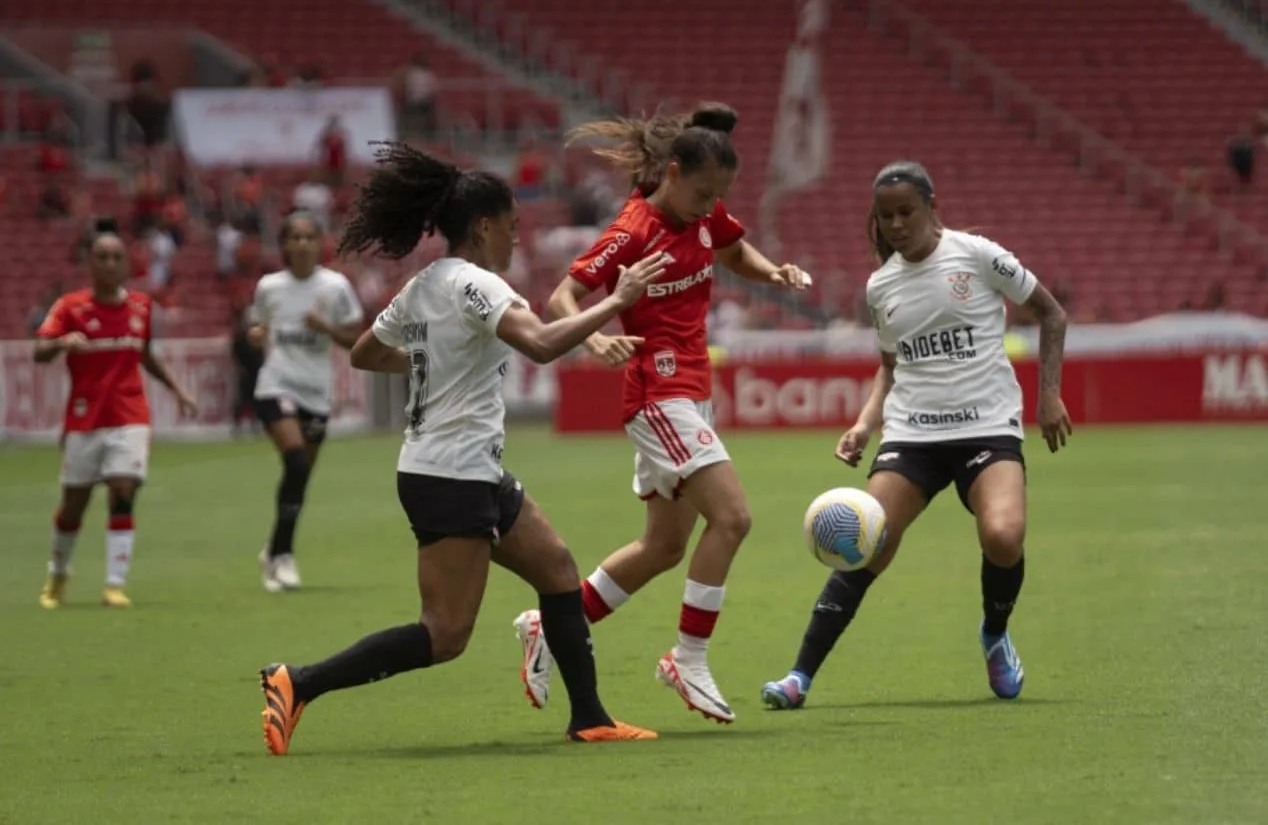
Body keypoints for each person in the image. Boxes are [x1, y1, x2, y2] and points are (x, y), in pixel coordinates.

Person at [258, 143, 667, 754]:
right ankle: (298, 682)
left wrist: (430, 361)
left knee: (557, 569)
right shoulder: (479, 284)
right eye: (513, 226)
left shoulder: (425, 283)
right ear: (484, 225)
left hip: (468, 467)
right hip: (449, 474)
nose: (517, 239)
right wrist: (616, 300)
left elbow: (365, 352)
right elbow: (543, 344)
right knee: (445, 635)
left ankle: (590, 717)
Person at [511, 103, 811, 724]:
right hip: (657, 392)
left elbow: (734, 250)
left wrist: (772, 272)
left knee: (664, 546)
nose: (710, 207)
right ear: (672, 172)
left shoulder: (703, 211)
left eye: (719, 196)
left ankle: (548, 623)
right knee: (732, 518)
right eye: (702, 193)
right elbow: (563, 294)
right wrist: (594, 339)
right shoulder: (634, 229)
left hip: (692, 390)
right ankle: (689, 657)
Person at [760, 161, 1072, 709]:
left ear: (932, 206)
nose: (897, 225)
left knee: (1002, 537)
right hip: (914, 435)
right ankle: (798, 677)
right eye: (886, 217)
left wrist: (1049, 394)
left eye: (906, 212)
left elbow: (1051, 314)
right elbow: (891, 366)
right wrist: (863, 424)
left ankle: (995, 634)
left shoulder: (976, 255)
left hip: (987, 427)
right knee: (864, 545)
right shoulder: (881, 286)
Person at [35, 218, 198, 610]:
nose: (109, 263)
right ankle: (58, 573)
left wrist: (178, 390)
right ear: (89, 264)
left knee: (123, 491)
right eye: (102, 257)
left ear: (127, 264)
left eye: (116, 257)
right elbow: (38, 352)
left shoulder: (141, 307)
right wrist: (60, 343)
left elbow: (146, 356)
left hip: (130, 416)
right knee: (74, 503)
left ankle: (114, 584)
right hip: (84, 419)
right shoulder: (70, 308)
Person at [249, 211, 364, 592]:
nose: (301, 244)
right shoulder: (269, 286)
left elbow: (355, 339)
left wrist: (326, 328)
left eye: (308, 237)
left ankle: (277, 549)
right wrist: (254, 335)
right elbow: (258, 325)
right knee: (295, 459)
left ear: (320, 242)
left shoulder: (335, 287)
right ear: (284, 244)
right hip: (276, 384)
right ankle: (283, 557)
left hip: (316, 390)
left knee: (299, 478)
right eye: (293, 237)